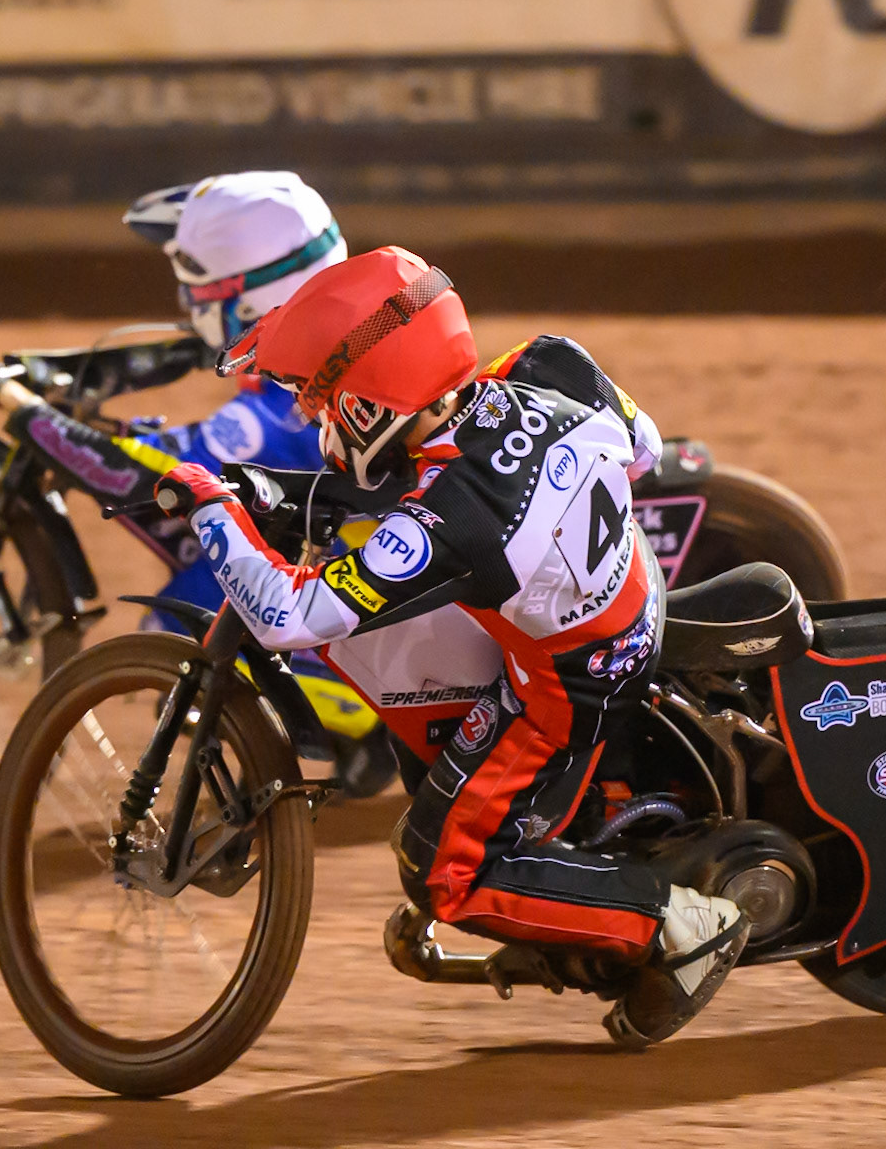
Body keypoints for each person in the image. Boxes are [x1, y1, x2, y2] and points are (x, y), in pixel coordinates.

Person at [156, 246, 752, 1046]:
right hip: (620, 586)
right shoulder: (544, 364)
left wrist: (208, 505)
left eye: (321, 399)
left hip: (566, 686)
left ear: (372, 402)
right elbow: (640, 446)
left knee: (442, 872)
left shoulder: (461, 518)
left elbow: (290, 616)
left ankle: (679, 929)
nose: (310, 417)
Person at [117, 170, 346, 623]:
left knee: (173, 618)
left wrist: (26, 410)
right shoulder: (337, 338)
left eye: (204, 290)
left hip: (350, 622)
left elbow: (153, 470)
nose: (192, 302)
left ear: (250, 301)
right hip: (386, 584)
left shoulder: (289, 407)